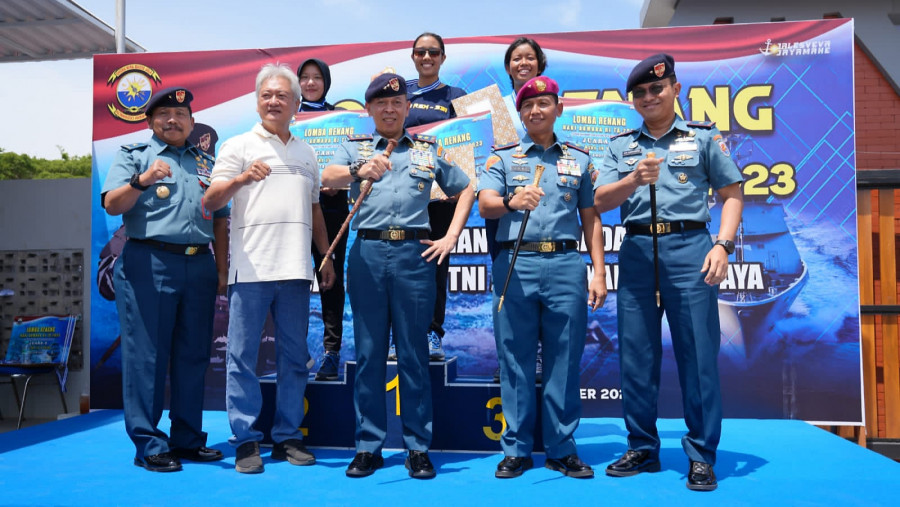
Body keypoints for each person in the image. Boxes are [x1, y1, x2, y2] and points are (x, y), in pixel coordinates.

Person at [593, 54, 743, 491]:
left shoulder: (702, 138)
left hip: (690, 248)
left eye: (656, 89)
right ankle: (642, 446)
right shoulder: (621, 145)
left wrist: (723, 244)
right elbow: (600, 201)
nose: (648, 97)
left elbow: (732, 194)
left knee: (698, 356)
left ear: (675, 90)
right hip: (637, 249)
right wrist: (632, 181)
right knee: (636, 355)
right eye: (639, 93)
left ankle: (700, 454)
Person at [322, 73, 474, 479]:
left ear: (407, 108)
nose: (389, 109)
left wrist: (451, 235)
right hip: (368, 252)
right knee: (370, 353)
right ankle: (368, 446)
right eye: (381, 103)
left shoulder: (426, 150)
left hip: (414, 255)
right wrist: (359, 170)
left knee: (413, 353)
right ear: (369, 109)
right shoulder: (354, 149)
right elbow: (327, 179)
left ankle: (418, 448)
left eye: (397, 103)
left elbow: (466, 188)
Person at [203, 63, 336, 474]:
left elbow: (315, 208)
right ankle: (245, 440)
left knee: (295, 358)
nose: (274, 101)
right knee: (242, 359)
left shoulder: (307, 152)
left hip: (296, 270)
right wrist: (243, 178)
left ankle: (287, 436)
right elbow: (210, 200)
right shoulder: (238, 145)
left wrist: (325, 255)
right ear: (257, 101)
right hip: (251, 270)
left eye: (282, 95)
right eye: (266, 95)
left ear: (297, 103)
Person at [478, 76, 606, 479]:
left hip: (566, 266)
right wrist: (512, 200)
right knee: (514, 359)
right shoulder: (502, 157)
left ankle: (562, 448)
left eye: (544, 104)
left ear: (558, 109)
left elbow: (591, 219)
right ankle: (515, 448)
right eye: (528, 106)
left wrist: (599, 272)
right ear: (520, 114)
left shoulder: (580, 160)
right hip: (516, 264)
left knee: (564, 360)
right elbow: (486, 205)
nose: (536, 111)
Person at [101, 87, 229, 473]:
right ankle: (149, 444)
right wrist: (141, 181)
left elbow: (221, 218)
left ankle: (187, 438)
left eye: (181, 114)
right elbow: (112, 204)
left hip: (199, 265)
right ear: (150, 121)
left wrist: (221, 270)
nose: (173, 120)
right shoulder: (134, 157)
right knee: (148, 357)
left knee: (192, 355)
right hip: (149, 261)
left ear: (192, 121)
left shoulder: (207, 162)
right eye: (164, 114)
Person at [401, 32, 468, 362]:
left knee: (435, 266)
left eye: (433, 52)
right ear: (412, 56)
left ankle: (432, 332)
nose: (427, 57)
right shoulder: (400, 92)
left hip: (441, 197)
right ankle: (397, 334)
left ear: (443, 58)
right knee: (399, 265)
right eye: (421, 52)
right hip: (403, 196)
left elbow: (483, 137)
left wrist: (458, 183)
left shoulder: (457, 95)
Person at [489, 36, 549, 383]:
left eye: (529, 57)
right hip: (500, 204)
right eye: (516, 58)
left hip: (545, 205)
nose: (522, 63)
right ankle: (507, 357)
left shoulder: (554, 102)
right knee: (505, 285)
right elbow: (465, 146)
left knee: (543, 283)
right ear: (508, 65)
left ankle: (539, 355)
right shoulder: (489, 107)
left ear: (540, 64)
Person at [297, 58, 349, 381]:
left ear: (326, 82)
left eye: (317, 78)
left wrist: (338, 182)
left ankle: (331, 353)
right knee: (295, 281)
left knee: (331, 282)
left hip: (332, 209)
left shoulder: (342, 119)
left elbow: (353, 163)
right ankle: (296, 351)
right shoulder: (287, 116)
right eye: (305, 77)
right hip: (294, 212)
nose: (311, 83)